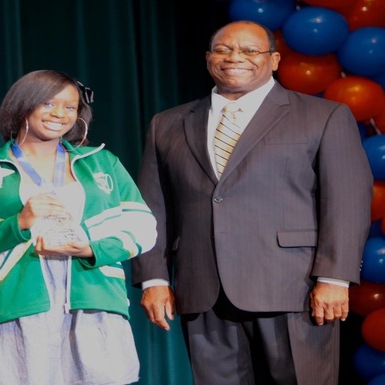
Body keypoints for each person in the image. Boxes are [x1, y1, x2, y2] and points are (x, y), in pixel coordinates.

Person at [131, 20, 373, 385]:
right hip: (203, 289)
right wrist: (153, 278)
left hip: (295, 288)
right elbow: (151, 208)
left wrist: (334, 277)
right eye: (224, 50)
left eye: (249, 50)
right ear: (209, 58)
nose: (235, 58)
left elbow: (347, 201)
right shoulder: (166, 124)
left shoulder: (323, 116)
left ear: (274, 60)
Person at [0, 69, 157, 385]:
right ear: (23, 105)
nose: (60, 114)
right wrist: (17, 224)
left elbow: (144, 227)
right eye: (48, 103)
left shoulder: (102, 162)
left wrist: (90, 249)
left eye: (70, 107)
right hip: (21, 303)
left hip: (94, 298)